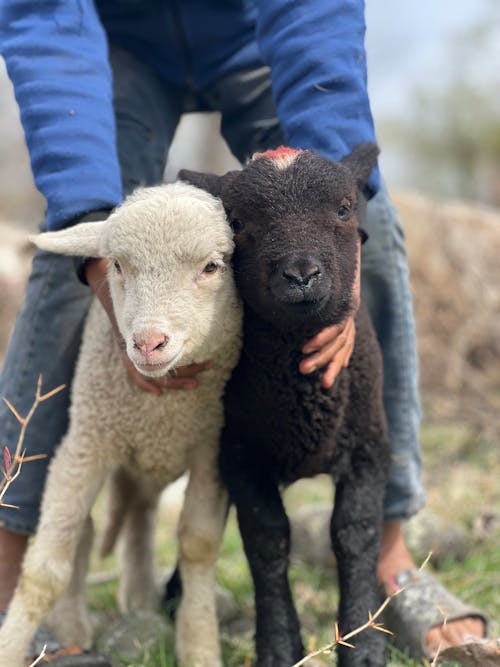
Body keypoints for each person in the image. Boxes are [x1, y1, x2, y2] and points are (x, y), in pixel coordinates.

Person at [0, 1, 486, 664]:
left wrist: (344, 227)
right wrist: (95, 236)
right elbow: (46, 14)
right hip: (118, 40)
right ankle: (7, 576)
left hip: (252, 31)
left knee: (379, 238)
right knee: (69, 258)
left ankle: (389, 557)